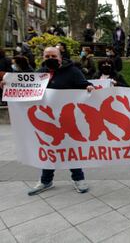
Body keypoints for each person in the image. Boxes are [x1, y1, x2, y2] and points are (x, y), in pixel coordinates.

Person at [28, 46, 93, 195]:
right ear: (43, 57)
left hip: (67, 119)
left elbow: (85, 85)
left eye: (53, 56)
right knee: (49, 149)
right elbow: (26, 90)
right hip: (46, 120)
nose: (50, 59)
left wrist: (89, 88)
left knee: (70, 149)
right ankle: (46, 180)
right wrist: (7, 86)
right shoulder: (39, 73)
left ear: (60, 57)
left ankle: (79, 179)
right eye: (47, 56)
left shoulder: (72, 72)